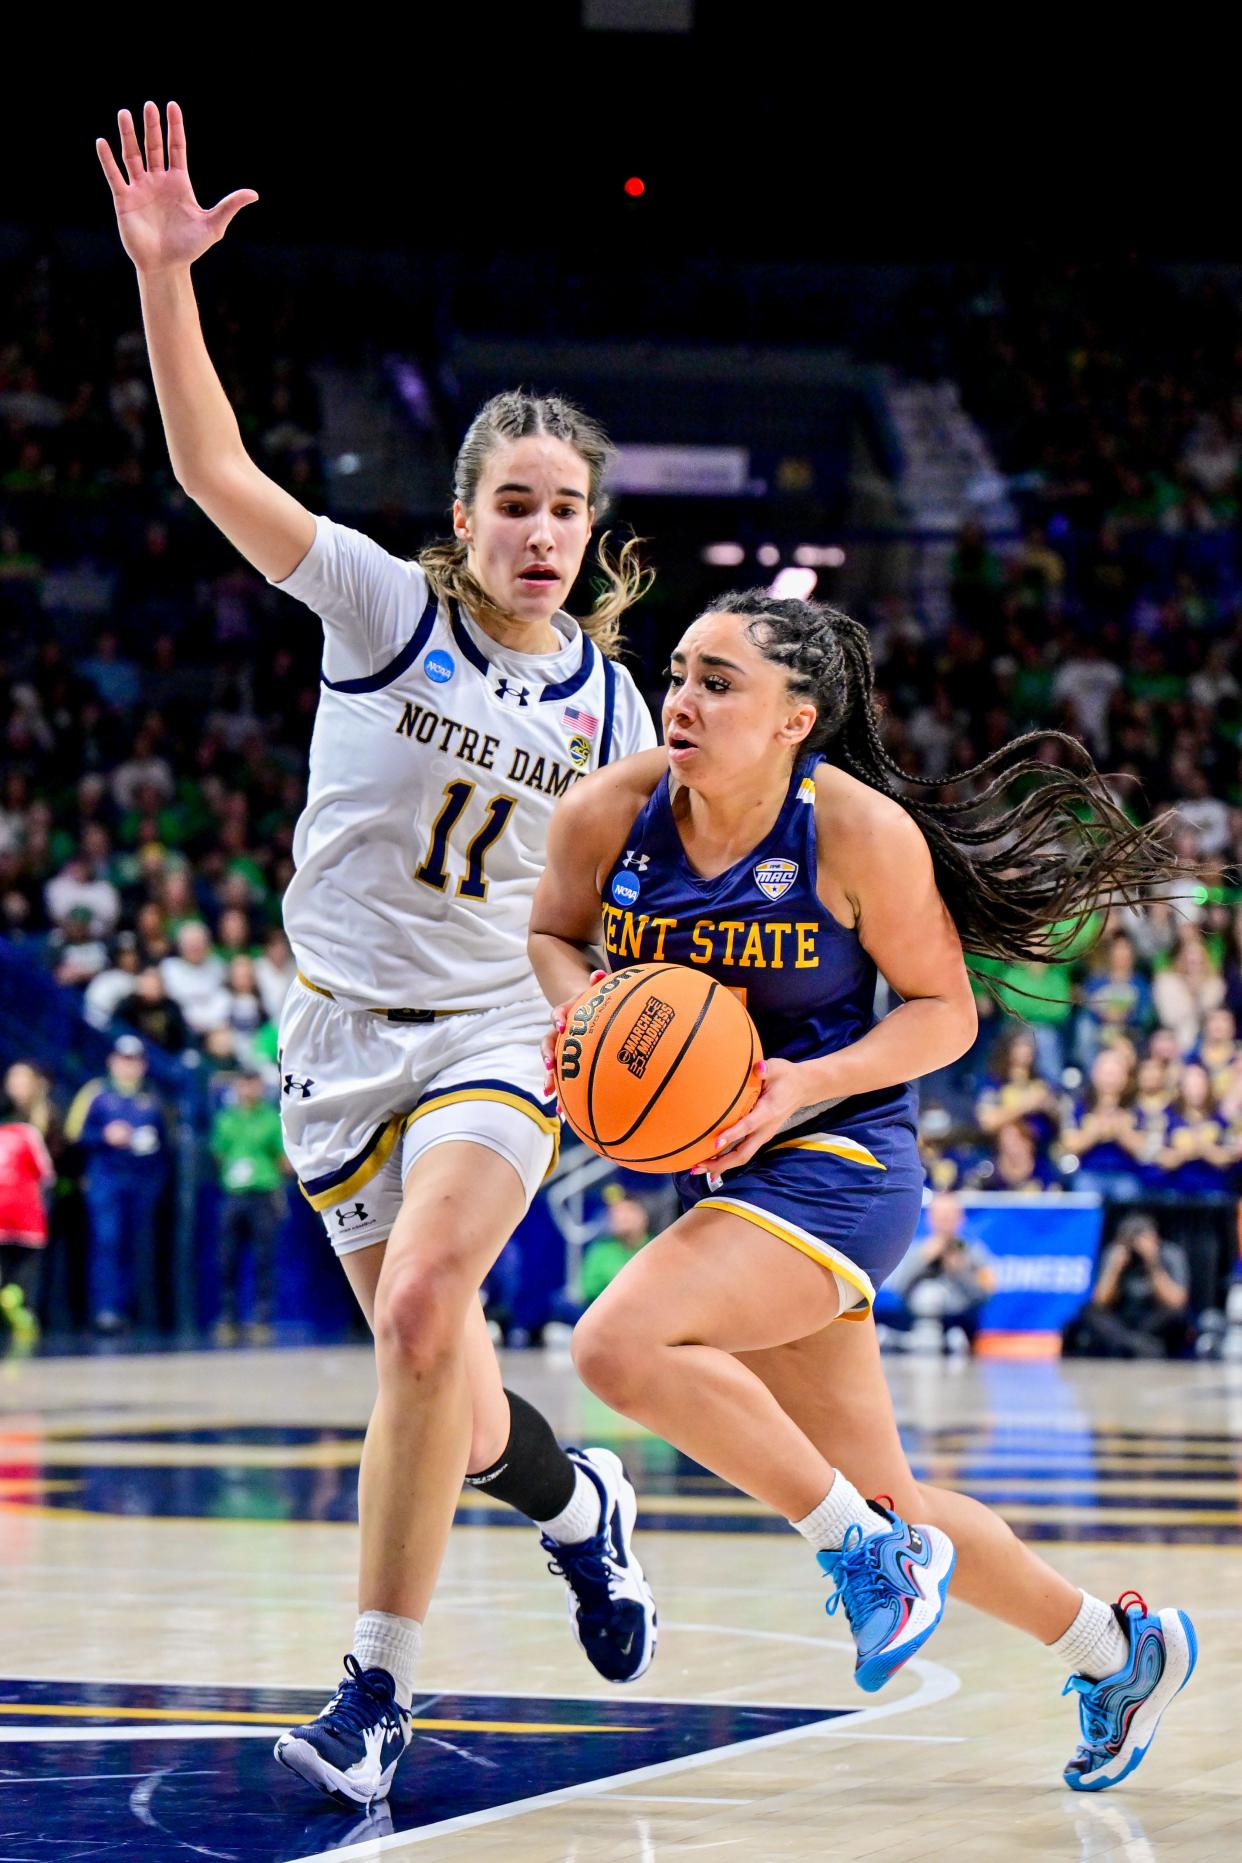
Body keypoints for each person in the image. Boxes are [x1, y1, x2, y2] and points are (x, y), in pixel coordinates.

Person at [99, 100, 659, 1811]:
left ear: (590, 527)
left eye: (566, 506)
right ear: (465, 514)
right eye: (513, 501)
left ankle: (373, 1694)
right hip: (339, 1040)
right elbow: (211, 469)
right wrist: (164, 281)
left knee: (427, 1307)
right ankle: (583, 1506)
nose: (541, 529)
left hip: (499, 1033)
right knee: (450, 1395)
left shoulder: (623, 708)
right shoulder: (377, 609)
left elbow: (619, 917)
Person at [531, 587, 1195, 1792]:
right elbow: (551, 935)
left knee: (615, 1349)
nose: (682, 699)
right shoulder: (608, 814)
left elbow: (947, 1015)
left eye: (719, 682)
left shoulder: (854, 830)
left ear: (798, 717)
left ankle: (860, 1555)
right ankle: (1117, 1648)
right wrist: (585, 1010)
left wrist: (799, 1086)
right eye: (679, 672)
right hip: (722, 1179)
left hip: (842, 1158)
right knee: (891, 1495)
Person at [66, 1034, 168, 1333]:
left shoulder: (153, 1098)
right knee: (107, 1241)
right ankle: (105, 1309)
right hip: (105, 1179)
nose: (128, 1067)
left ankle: (128, 1308)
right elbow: (74, 1136)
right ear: (112, 1061)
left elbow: (165, 1145)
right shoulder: (95, 1093)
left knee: (133, 1244)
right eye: (123, 1060)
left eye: (134, 1060)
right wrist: (104, 1136)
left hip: (140, 1181)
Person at [209, 1068, 288, 1344]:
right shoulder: (226, 1119)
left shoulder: (270, 1118)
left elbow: (281, 1156)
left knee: (264, 1258)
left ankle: (262, 1318)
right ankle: (229, 1318)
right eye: (243, 1085)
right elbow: (218, 1153)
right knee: (228, 1257)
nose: (248, 1090)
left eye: (252, 1084)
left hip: (263, 1193)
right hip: (234, 1193)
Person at [1063, 1213, 1193, 1359]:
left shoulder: (1170, 1254)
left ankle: (1129, 1346)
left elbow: (1177, 1301)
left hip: (1153, 1319)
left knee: (1177, 1314)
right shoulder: (1115, 1254)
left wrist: (1153, 1263)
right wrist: (1114, 1269)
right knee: (1088, 1311)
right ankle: (1137, 1345)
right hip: (1122, 1318)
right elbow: (1101, 1301)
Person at [882, 1192, 996, 1352]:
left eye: (950, 1217)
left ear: (960, 1218)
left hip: (958, 1321)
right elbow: (898, 1288)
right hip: (920, 1319)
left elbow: (986, 1293)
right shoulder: (917, 1250)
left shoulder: (973, 1252)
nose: (945, 1223)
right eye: (941, 1217)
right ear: (930, 1219)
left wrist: (960, 1271)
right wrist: (922, 1260)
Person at [581, 1193, 652, 1305]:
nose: (621, 1217)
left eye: (628, 1211)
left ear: (644, 1215)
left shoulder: (657, 1245)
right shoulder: (600, 1250)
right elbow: (587, 1290)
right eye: (616, 1212)